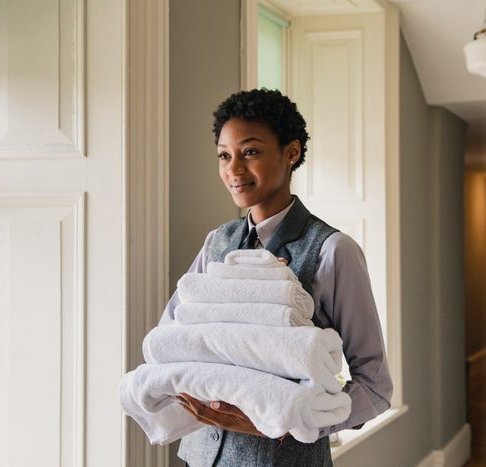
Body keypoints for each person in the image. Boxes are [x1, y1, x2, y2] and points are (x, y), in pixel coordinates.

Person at [158, 88, 392, 466]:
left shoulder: (334, 251)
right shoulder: (216, 243)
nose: (233, 169)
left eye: (249, 152)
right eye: (223, 155)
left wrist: (294, 421)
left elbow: (376, 387)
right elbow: (171, 338)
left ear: (291, 152)